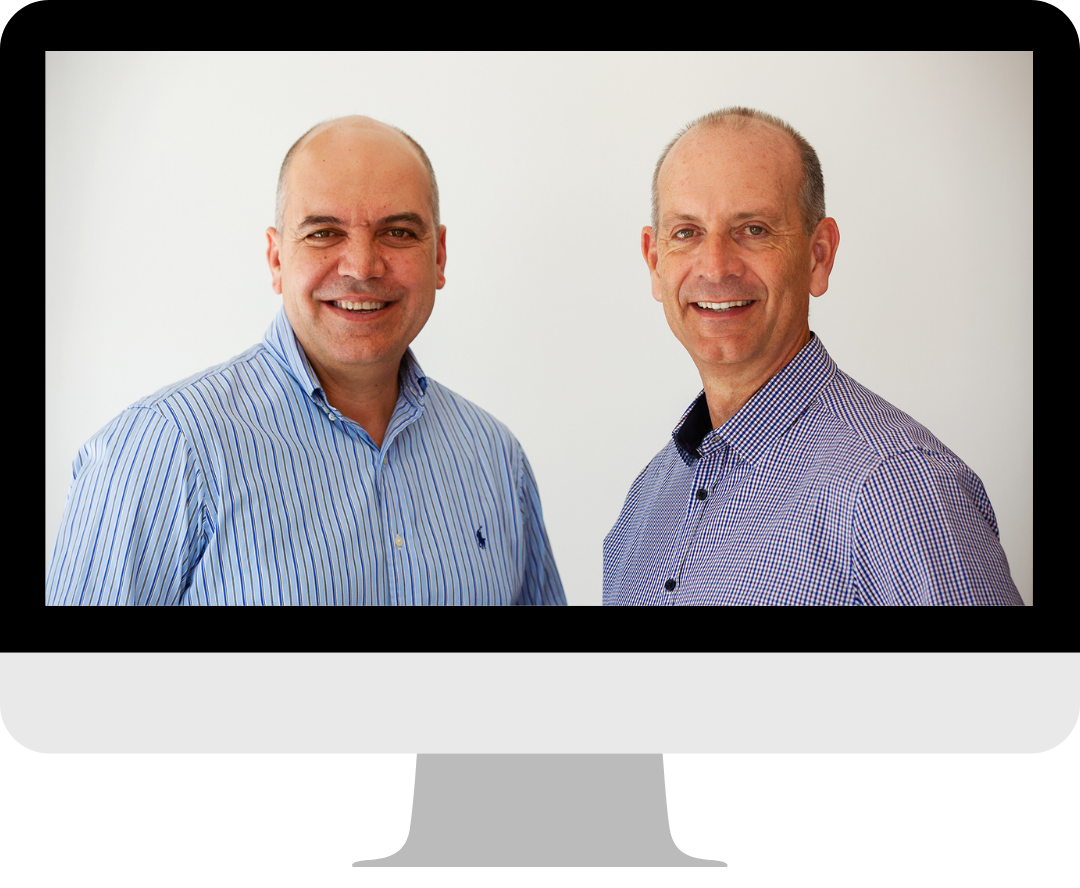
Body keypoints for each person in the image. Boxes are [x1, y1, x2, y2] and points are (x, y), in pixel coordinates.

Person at [48, 116, 565, 606]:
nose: (361, 266)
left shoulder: (496, 459)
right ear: (277, 259)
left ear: (439, 256)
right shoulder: (161, 451)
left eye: (398, 232)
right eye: (323, 232)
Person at [603, 107, 1020, 606]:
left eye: (753, 229)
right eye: (687, 232)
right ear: (655, 263)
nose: (715, 267)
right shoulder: (644, 504)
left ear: (819, 255)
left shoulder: (901, 490)